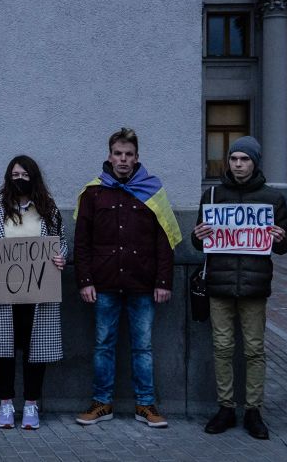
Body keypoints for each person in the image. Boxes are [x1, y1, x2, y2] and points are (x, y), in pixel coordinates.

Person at [73, 127, 180, 429]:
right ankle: (101, 403)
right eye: (118, 154)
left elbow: (166, 239)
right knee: (103, 345)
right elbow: (82, 242)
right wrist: (84, 280)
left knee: (143, 347)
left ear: (136, 158)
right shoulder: (93, 192)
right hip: (103, 284)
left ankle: (145, 405)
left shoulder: (153, 191)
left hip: (143, 285)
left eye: (128, 155)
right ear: (109, 156)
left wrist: (163, 281)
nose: (122, 159)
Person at [191, 135, 287, 441]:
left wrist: (281, 238)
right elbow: (199, 242)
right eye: (234, 159)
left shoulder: (273, 199)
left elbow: (286, 245)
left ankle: (253, 410)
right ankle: (225, 407)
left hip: (254, 286)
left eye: (244, 159)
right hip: (219, 284)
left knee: (254, 350)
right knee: (222, 348)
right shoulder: (212, 195)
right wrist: (198, 234)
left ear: (255, 162)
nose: (238, 164)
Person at [0, 155, 68, 430]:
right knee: (1, 349)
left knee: (35, 349)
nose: (19, 179)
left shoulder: (48, 210)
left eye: (25, 174)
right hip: (2, 291)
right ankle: (5, 403)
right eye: (15, 174)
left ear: (34, 178)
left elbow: (61, 241)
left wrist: (61, 257)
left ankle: (31, 404)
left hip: (38, 293)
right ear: (8, 177)